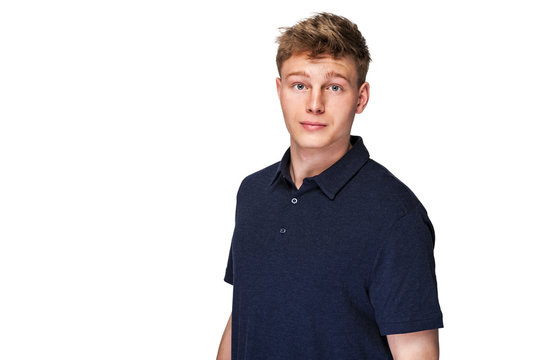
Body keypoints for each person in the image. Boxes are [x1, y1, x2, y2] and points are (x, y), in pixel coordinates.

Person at [217, 12, 443, 360]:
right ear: (280, 91)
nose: (315, 104)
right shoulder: (252, 193)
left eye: (334, 87)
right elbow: (242, 316)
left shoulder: (395, 215)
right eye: (300, 85)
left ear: (361, 97)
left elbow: (416, 352)